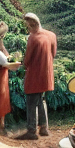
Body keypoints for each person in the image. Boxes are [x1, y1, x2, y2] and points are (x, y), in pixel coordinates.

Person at [17, 12, 58, 140]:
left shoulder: (33, 38)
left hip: (35, 73)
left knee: (31, 101)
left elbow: (27, 60)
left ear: (32, 24)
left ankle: (31, 130)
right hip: (47, 73)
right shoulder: (51, 35)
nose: (28, 28)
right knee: (41, 99)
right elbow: (54, 53)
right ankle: (44, 128)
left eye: (28, 26)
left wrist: (21, 63)